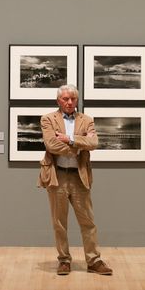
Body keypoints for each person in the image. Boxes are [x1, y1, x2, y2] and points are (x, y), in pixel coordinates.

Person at [37, 84, 113, 276]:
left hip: (80, 176)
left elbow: (94, 143)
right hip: (58, 175)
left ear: (77, 100)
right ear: (58, 101)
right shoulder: (48, 119)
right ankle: (64, 260)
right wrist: (79, 145)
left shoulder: (87, 120)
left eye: (73, 98)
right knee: (59, 222)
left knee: (88, 221)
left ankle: (94, 261)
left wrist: (69, 139)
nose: (70, 102)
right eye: (65, 99)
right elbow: (51, 144)